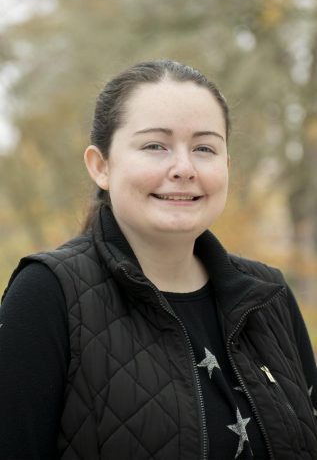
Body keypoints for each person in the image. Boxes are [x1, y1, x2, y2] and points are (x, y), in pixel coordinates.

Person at [0, 59, 317, 460]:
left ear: (226, 166)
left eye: (204, 148)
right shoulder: (48, 294)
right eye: (155, 146)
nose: (183, 168)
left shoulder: (270, 297)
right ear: (101, 166)